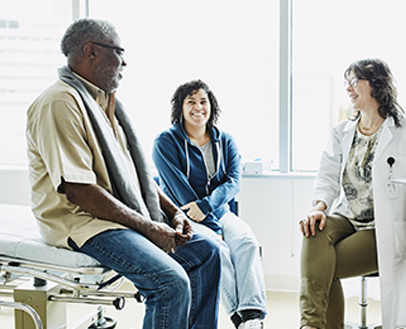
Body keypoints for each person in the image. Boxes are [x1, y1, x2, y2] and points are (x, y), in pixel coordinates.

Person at [26, 18, 221, 329]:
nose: (125, 61)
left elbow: (134, 176)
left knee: (207, 253)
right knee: (169, 282)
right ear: (91, 52)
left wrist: (174, 214)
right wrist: (148, 227)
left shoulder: (106, 105)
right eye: (118, 51)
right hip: (82, 222)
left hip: (115, 215)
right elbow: (79, 190)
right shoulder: (60, 102)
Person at [297, 58, 406, 329]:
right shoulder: (342, 132)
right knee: (313, 229)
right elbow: (327, 176)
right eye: (347, 83)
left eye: (354, 82)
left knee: (322, 267)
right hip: (347, 216)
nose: (348, 89)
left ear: (376, 85)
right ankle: (311, 325)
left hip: (383, 226)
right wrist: (319, 206)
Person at [152, 79, 267, 329]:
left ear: (211, 106)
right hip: (183, 217)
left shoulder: (224, 140)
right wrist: (215, 229)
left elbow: (233, 182)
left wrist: (209, 209)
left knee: (247, 243)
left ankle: (253, 315)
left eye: (203, 101)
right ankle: (238, 314)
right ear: (180, 108)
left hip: (218, 212)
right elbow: (182, 195)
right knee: (218, 248)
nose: (198, 107)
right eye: (191, 101)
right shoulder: (165, 142)